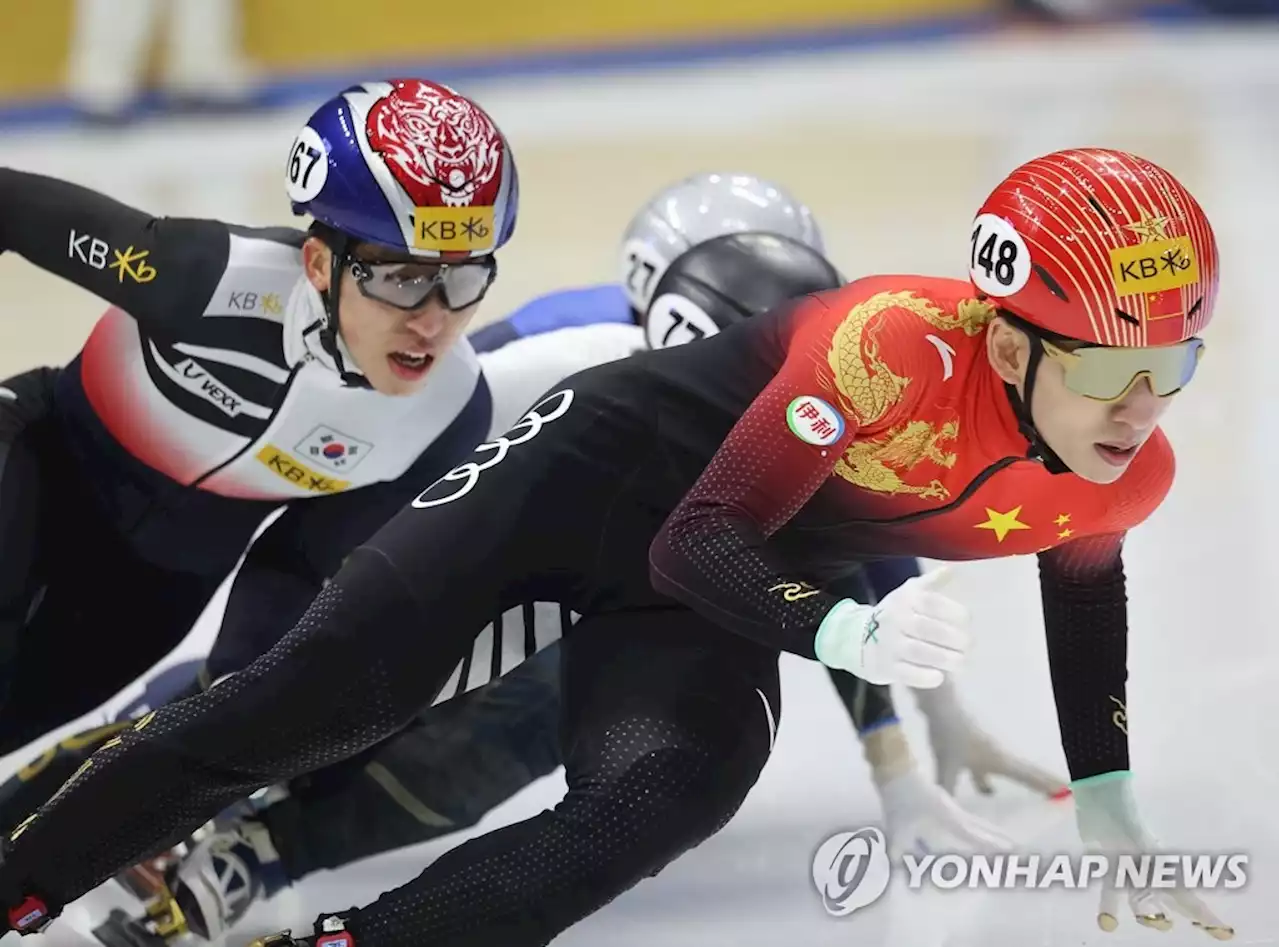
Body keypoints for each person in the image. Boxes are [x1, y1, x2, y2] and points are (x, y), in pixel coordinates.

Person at [6, 147, 1218, 945]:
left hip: (700, 577)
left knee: (653, 793)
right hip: (580, 493)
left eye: (1174, 369)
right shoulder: (858, 347)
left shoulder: (1100, 456)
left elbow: (879, 534)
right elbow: (723, 539)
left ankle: (292, 893)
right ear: (1005, 346)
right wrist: (236, 682)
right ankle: (51, 840)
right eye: (1116, 371)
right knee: (320, 693)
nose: (1142, 409)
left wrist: (1031, 779)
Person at [0, 77, 517, 763]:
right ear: (319, 264)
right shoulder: (204, 277)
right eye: (403, 277)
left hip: (148, 596)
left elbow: (297, 563)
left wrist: (226, 691)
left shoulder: (448, 415)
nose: (433, 319)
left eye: (462, 279)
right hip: (35, 458)